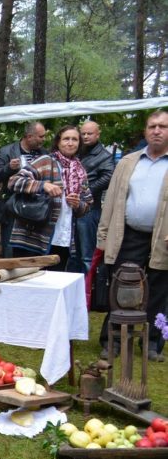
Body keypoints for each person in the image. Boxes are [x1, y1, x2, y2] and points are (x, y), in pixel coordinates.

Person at [97, 109, 168, 362]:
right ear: (145, 131)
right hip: (129, 235)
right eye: (152, 126)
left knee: (159, 290)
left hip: (164, 239)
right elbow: (112, 202)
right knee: (120, 288)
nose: (157, 131)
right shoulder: (128, 162)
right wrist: (104, 236)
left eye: (163, 126)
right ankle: (112, 341)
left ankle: (151, 344)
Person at [7, 124, 92, 270]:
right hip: (33, 238)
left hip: (62, 239)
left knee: (53, 284)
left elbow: (87, 204)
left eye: (74, 139)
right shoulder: (46, 161)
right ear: (58, 142)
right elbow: (14, 182)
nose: (70, 143)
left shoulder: (80, 171)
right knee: (28, 285)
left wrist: (77, 204)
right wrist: (42, 185)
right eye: (66, 139)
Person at [0, 121, 49, 257]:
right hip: (12, 209)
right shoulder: (5, 152)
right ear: (29, 136)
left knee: (32, 251)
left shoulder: (45, 154)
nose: (43, 139)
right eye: (41, 136)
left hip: (36, 209)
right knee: (10, 251)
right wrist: (8, 168)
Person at [73, 120, 115, 273]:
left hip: (90, 209)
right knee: (73, 255)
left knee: (86, 255)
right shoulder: (78, 151)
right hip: (74, 208)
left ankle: (88, 293)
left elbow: (110, 176)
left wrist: (87, 191)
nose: (85, 136)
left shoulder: (104, 156)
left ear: (98, 134)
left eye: (89, 133)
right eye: (83, 133)